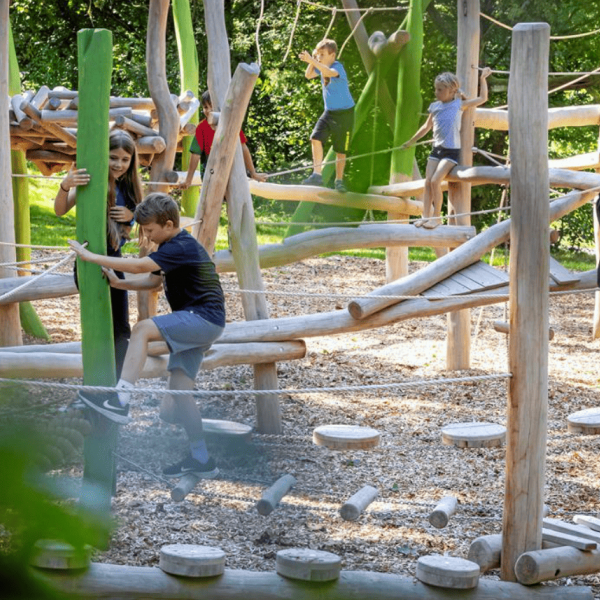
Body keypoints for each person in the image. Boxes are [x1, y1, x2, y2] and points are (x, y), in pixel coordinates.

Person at [69, 193, 226, 479]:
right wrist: (119, 283)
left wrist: (91, 257)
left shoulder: (179, 246)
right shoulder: (172, 245)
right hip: (203, 322)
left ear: (168, 224)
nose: (148, 237)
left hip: (202, 319)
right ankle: (201, 458)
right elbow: (153, 280)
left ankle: (121, 400)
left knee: (142, 328)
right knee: (180, 392)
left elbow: (143, 266)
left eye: (151, 230)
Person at [54, 129, 143, 376]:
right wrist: (64, 185)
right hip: (87, 262)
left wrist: (132, 216)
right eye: (114, 157)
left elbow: (146, 220)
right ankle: (98, 384)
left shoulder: (129, 186)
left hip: (115, 262)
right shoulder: (91, 180)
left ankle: (116, 387)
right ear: (104, 155)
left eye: (125, 159)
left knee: (121, 329)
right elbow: (60, 210)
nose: (119, 164)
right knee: (97, 326)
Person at [401, 67, 492, 229]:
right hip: (436, 150)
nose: (436, 92)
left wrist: (483, 78)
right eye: (436, 89)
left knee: (436, 181)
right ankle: (425, 216)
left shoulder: (458, 104)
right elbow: (426, 127)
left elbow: (482, 98)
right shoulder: (435, 106)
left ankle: (436, 218)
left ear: (451, 91)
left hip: (451, 151)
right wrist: (411, 141)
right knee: (428, 182)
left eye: (440, 90)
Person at [298, 38, 355, 193]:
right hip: (329, 112)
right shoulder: (320, 66)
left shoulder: (337, 67)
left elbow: (329, 73)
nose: (320, 57)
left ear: (332, 55)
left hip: (345, 114)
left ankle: (339, 181)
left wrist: (312, 60)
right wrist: (313, 60)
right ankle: (317, 175)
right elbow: (308, 75)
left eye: (322, 54)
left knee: (340, 150)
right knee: (315, 138)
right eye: (318, 54)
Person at [180, 90, 266, 190]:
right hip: (212, 167)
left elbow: (243, 148)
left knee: (235, 188)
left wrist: (253, 172)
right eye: (205, 107)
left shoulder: (232, 123)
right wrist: (188, 180)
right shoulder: (201, 128)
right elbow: (195, 155)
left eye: (211, 106)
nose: (208, 110)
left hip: (232, 166)